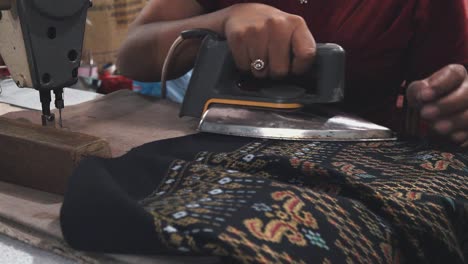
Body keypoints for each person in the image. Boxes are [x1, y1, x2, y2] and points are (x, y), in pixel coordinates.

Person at [117, 0, 468, 143]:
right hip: (217, 149)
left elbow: (450, 85)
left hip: (356, 163)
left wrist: (452, 102)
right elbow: (131, 56)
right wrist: (223, 21)